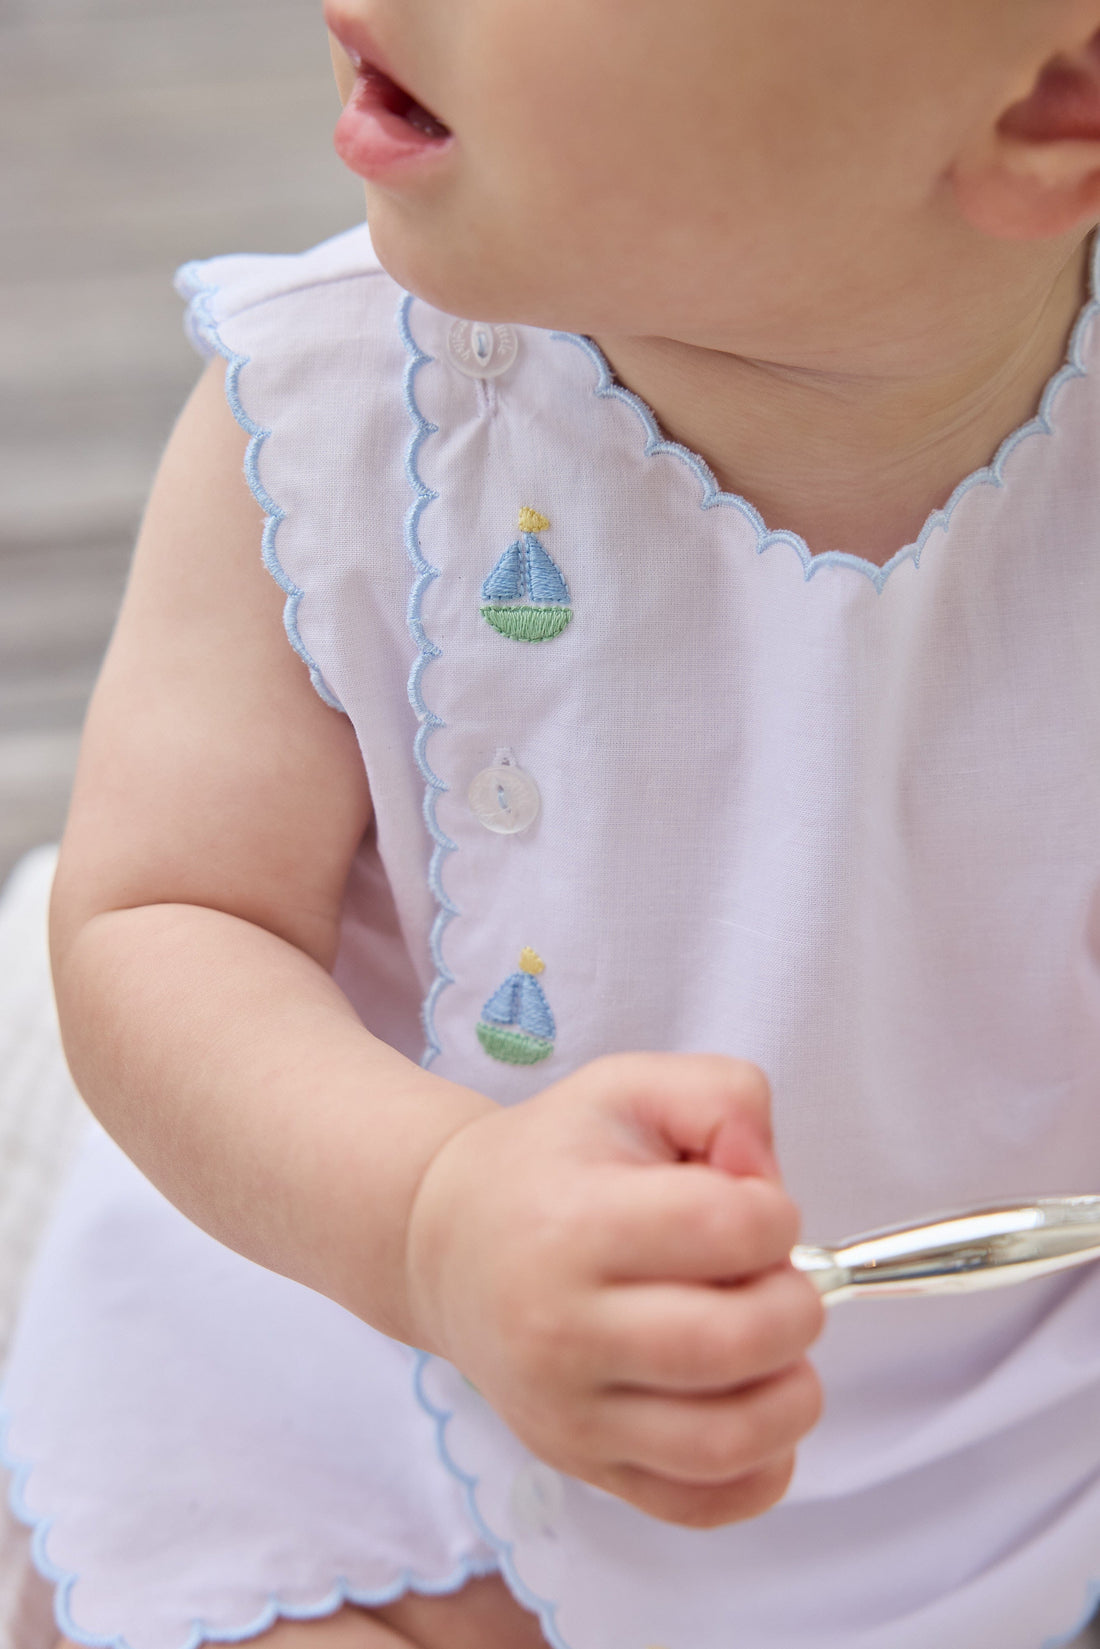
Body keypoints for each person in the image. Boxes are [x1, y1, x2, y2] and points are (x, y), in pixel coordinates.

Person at [4, 0, 1100, 1645]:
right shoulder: (347, 414)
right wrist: (433, 1215)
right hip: (373, 1326)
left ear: (1054, 102)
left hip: (999, 1395)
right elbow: (168, 919)